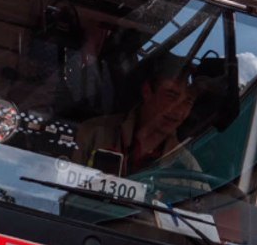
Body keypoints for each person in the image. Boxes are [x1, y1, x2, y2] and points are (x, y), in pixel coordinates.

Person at [74, 54, 203, 177]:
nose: (178, 111)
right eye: (171, 96)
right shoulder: (94, 134)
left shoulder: (186, 166)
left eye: (188, 102)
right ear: (147, 91)